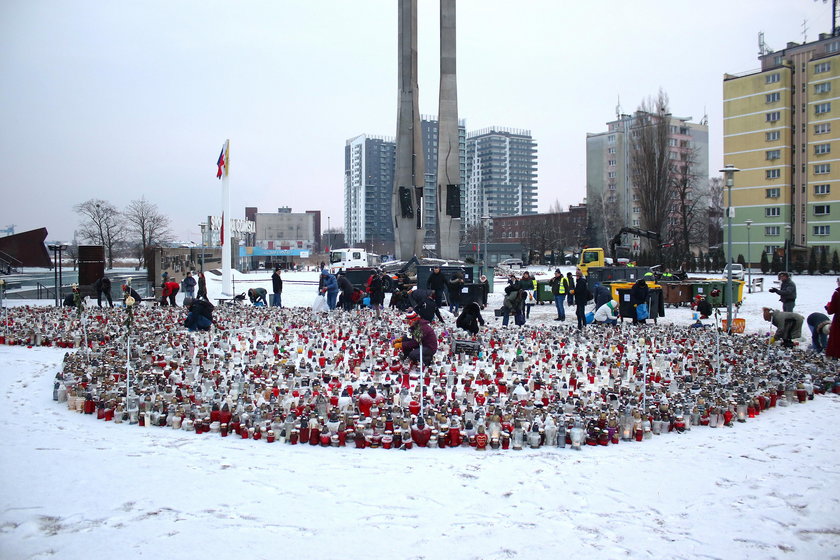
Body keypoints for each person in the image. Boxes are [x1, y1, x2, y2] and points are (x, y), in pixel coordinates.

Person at [824, 277, 840, 358]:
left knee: (836, 340)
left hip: (838, 321)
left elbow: (831, 310)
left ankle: (835, 356)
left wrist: (828, 306)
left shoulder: (837, 294)